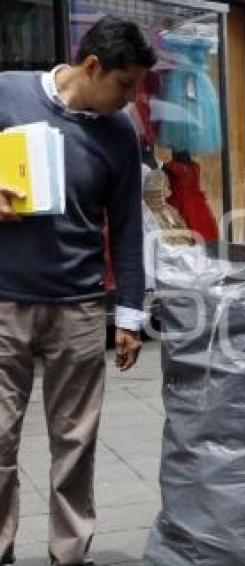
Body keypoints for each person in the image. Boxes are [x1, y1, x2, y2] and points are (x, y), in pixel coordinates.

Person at [0, 16, 156, 564]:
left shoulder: (119, 133)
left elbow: (129, 229)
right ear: (92, 66)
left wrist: (130, 317)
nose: (132, 97)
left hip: (80, 309)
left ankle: (69, 555)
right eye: (125, 84)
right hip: (4, 304)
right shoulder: (6, 94)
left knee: (75, 444)